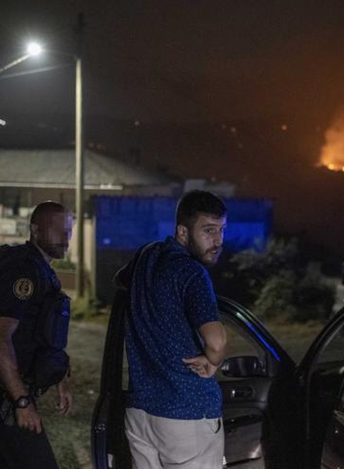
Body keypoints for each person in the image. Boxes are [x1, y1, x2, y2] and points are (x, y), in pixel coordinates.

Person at [114, 190, 228, 469]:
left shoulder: (147, 255)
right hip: (186, 414)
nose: (217, 241)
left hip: (141, 414)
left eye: (221, 230)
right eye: (208, 230)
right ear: (183, 232)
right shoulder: (192, 273)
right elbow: (216, 341)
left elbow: (119, 279)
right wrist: (215, 361)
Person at [0, 201, 74, 469]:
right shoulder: (23, 271)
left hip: (9, 394)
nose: (65, 238)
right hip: (4, 397)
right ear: (35, 229)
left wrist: (59, 377)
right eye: (58, 230)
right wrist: (21, 401)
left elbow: (43, 333)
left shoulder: (42, 270)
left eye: (69, 231)